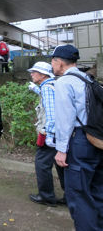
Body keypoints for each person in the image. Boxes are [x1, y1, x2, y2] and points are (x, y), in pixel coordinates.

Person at [52, 45, 103, 230]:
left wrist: (61, 150)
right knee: (97, 190)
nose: (52, 64)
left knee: (78, 194)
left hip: (79, 141)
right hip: (96, 139)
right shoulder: (88, 78)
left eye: (53, 61)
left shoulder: (64, 82)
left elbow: (65, 119)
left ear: (59, 62)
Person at [27, 62, 65, 207]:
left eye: (34, 71)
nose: (31, 74)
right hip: (61, 134)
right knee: (61, 164)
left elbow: (51, 114)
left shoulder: (47, 89)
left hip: (51, 135)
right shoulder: (53, 85)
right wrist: (36, 89)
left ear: (43, 75)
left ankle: (47, 197)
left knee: (42, 164)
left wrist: (48, 134)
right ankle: (69, 195)